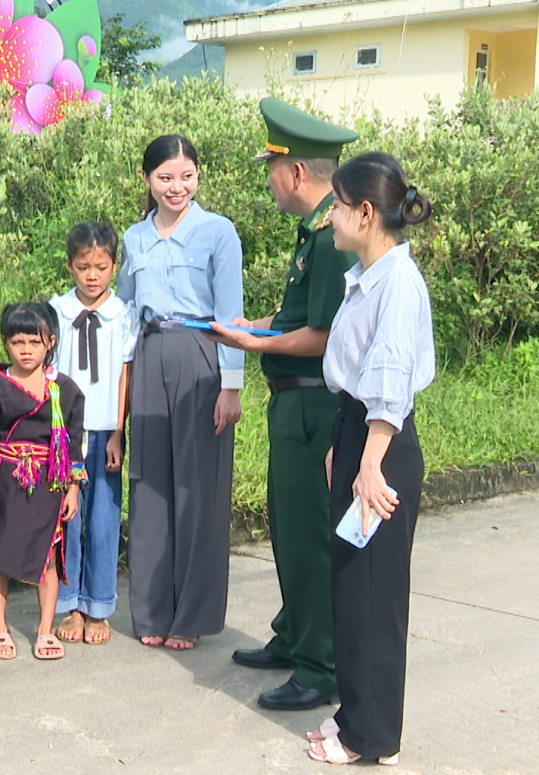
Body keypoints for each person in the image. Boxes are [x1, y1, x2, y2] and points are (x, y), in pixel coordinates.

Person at [208, 98, 358, 711]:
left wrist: (252, 340)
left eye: (271, 167)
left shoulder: (331, 239)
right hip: (293, 404)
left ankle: (319, 669)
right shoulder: (315, 233)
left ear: (296, 172)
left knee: (308, 537)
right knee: (289, 531)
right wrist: (260, 327)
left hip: (316, 406)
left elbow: (326, 337)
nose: (268, 179)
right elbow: (303, 319)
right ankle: (295, 635)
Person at [307, 152, 434, 765]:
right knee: (352, 589)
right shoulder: (369, 276)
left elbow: (390, 380)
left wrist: (369, 462)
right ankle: (354, 715)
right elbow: (359, 377)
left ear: (364, 211)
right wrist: (344, 444)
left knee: (376, 596)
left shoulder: (399, 283)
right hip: (359, 433)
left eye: (335, 204)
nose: (328, 215)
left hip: (383, 441)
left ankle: (373, 737)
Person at [118, 134, 244, 650]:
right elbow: (123, 312)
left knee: (198, 490)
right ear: (147, 180)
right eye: (165, 177)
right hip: (148, 354)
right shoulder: (133, 238)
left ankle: (190, 614)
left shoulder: (218, 232)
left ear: (199, 175)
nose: (177, 187)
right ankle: (150, 612)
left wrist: (230, 384)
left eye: (186, 176)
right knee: (148, 485)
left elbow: (231, 312)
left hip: (201, 357)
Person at [0, 303, 87, 661]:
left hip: (49, 484)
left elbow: (73, 440)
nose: (25, 350)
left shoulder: (64, 390)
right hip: (6, 483)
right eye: (17, 341)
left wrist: (73, 488)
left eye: (34, 342)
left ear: (50, 342)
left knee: (48, 555)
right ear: (5, 343)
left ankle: (45, 630)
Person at [49, 223, 139, 646]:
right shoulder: (57, 312)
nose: (92, 275)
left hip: (105, 432)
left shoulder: (123, 315)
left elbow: (124, 376)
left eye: (100, 267)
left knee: (103, 519)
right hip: (67, 434)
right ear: (70, 266)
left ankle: (99, 605)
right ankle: (70, 604)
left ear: (113, 266)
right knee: (68, 517)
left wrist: (119, 432)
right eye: (83, 267)